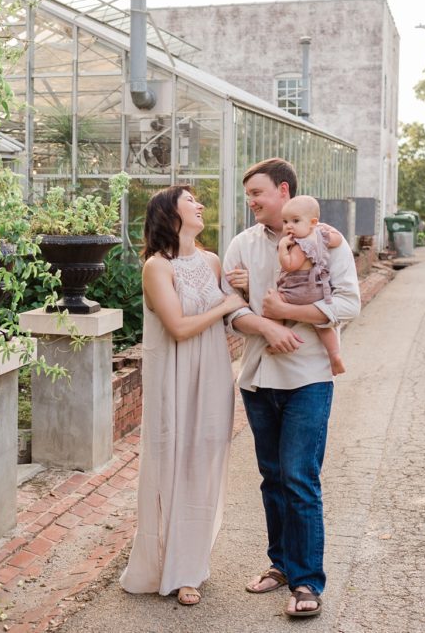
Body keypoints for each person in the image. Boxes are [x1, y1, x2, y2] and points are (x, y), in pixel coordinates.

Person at [221, 158, 360, 618]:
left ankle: (306, 583)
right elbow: (227, 306)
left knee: (300, 478)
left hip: (308, 378)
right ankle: (280, 564)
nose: (251, 202)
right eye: (248, 196)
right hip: (257, 379)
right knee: (273, 478)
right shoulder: (242, 244)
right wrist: (266, 325)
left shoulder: (326, 239)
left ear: (283, 191)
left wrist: (290, 315)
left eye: (257, 193)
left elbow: (348, 302)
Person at [119, 185, 248, 607]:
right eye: (190, 200)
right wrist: (226, 302)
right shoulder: (157, 267)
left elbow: (238, 306)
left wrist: (237, 293)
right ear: (169, 213)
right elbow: (177, 326)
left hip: (212, 374)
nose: (200, 205)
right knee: (173, 465)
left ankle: (192, 564)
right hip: (173, 378)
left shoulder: (212, 261)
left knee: (204, 464)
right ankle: (171, 568)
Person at [276, 195, 346, 375]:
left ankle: (277, 337)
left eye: (295, 221)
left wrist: (283, 248)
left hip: (296, 290)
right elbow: (338, 240)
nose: (289, 226)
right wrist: (328, 230)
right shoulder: (321, 237)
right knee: (322, 326)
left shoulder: (300, 244)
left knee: (273, 305)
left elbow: (290, 265)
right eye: (285, 222)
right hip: (317, 291)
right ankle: (335, 355)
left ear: (312, 222)